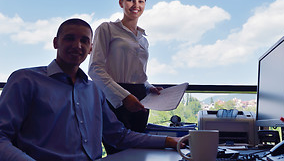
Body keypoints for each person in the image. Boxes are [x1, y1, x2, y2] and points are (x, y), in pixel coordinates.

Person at [0, 18, 181, 161]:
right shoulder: (25, 80)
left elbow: (118, 136)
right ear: (56, 42)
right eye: (69, 38)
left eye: (84, 41)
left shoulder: (94, 91)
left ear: (90, 48)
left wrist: (171, 141)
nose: (77, 45)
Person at [88, 0, 161, 137]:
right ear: (121, 3)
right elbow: (95, 69)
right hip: (114, 96)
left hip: (140, 99)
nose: (136, 5)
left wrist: (149, 87)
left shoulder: (143, 39)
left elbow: (137, 73)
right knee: (117, 147)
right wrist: (124, 96)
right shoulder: (106, 29)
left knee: (137, 148)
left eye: (141, 1)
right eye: (130, 0)